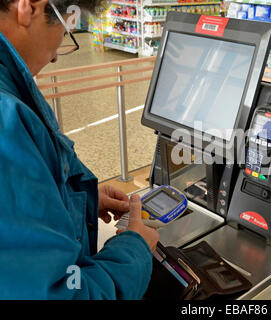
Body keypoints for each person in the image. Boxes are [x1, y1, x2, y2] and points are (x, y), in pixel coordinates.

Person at [0, 0, 159, 299]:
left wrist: (70, 199)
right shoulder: (6, 120)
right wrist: (134, 250)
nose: (56, 57)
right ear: (29, 8)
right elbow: (60, 293)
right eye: (64, 33)